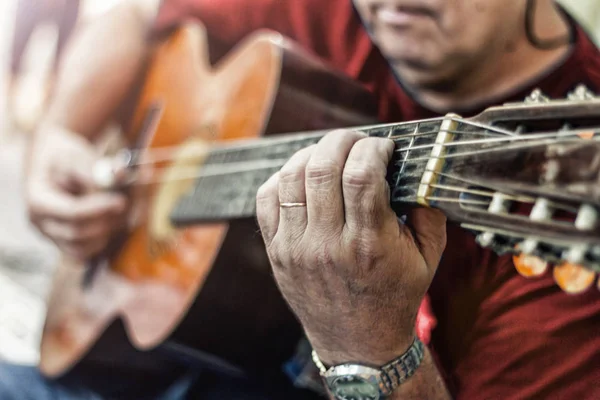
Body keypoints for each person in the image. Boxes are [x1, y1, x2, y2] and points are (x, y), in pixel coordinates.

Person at [0, 0, 598, 398]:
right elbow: (134, 13)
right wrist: (63, 133)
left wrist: (369, 347)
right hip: (133, 357)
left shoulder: (570, 230)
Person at [7, 0, 81, 131]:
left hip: (69, 6)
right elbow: (16, 50)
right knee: (17, 50)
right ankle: (9, 105)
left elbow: (62, 57)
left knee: (62, 58)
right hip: (31, 5)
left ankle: (47, 111)